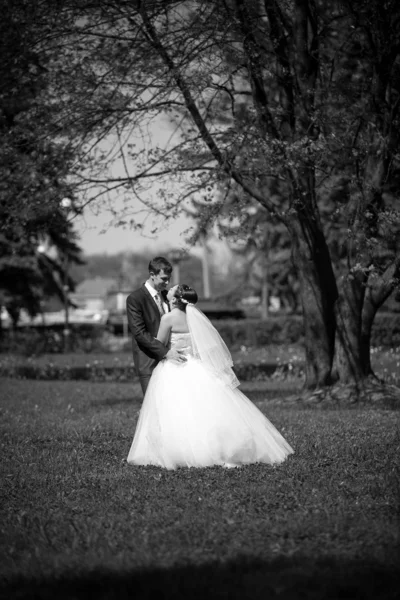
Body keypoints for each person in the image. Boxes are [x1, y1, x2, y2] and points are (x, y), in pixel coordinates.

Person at [127, 284, 294, 469]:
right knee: (205, 409)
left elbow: (160, 344)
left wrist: (166, 350)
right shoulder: (195, 319)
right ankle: (217, 449)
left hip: (174, 367)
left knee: (175, 410)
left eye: (171, 291)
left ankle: (179, 451)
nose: (168, 293)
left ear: (174, 299)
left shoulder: (168, 318)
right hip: (197, 367)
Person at [126, 256, 186, 396]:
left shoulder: (169, 296)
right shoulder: (135, 299)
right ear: (152, 275)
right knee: (154, 407)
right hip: (149, 363)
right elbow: (140, 333)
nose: (167, 283)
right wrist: (165, 352)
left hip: (173, 363)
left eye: (168, 278)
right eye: (164, 278)